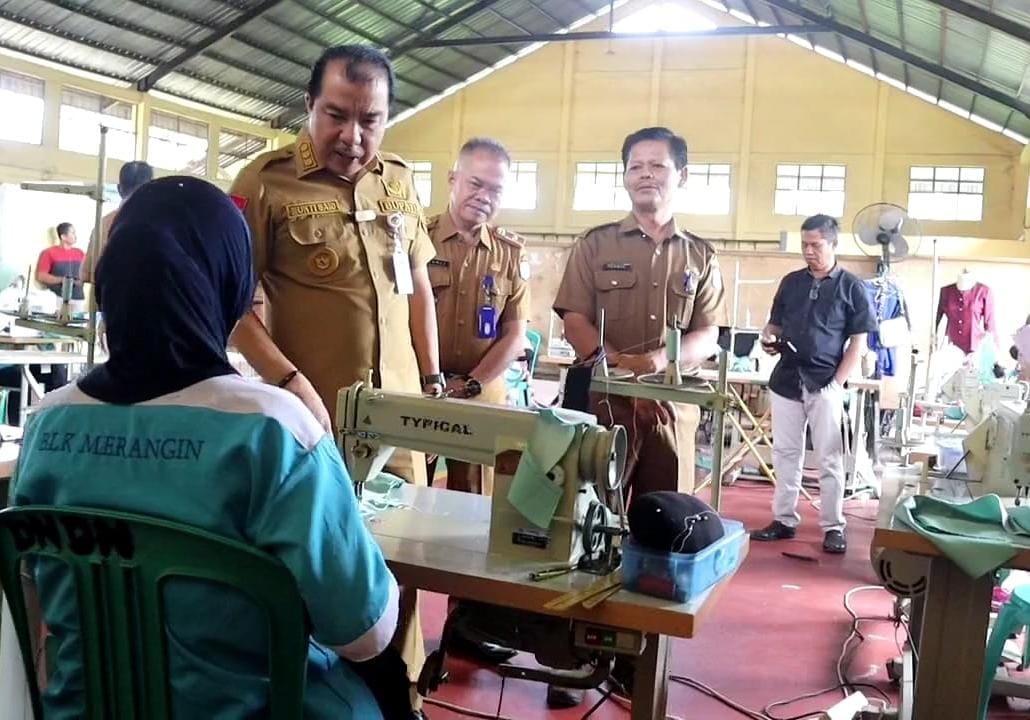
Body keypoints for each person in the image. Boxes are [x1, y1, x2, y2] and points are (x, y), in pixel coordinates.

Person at [12, 177, 399, 719]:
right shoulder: (277, 431)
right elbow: (365, 632)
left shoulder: (45, 426)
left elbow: (28, 607)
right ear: (229, 287)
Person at [228, 44, 439, 718]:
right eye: (336, 116)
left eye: (370, 120)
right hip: (309, 429)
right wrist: (287, 382)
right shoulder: (265, 182)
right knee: (309, 575)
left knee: (401, 580)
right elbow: (230, 305)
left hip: (402, 424)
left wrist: (432, 379)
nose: (353, 137)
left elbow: (419, 292)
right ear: (310, 107)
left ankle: (398, 702)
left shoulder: (400, 183)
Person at [553, 126, 725, 501]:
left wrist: (657, 361)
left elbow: (708, 334)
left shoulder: (701, 255)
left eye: (658, 166)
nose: (646, 174)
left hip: (673, 410)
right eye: (636, 167)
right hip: (605, 405)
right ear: (626, 178)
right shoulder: (593, 245)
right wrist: (625, 377)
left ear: (682, 175)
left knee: (666, 520)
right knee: (591, 514)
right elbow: (575, 322)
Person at [751, 214, 876, 554]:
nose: (809, 251)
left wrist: (837, 383)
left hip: (825, 384)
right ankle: (783, 520)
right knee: (785, 453)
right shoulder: (791, 283)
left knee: (830, 457)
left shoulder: (852, 287)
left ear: (834, 244)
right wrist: (768, 338)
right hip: (787, 380)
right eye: (804, 245)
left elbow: (858, 343)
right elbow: (774, 326)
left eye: (816, 245)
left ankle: (833, 526)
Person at [426, 137, 530, 494]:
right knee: (402, 492)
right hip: (418, 391)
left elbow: (514, 335)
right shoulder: (416, 240)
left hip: (481, 394)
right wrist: (430, 381)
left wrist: (470, 384)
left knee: (473, 507)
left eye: (496, 190)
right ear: (453, 179)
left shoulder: (510, 254)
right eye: (476, 183)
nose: (484, 196)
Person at [80, 160, 154, 283]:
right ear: (151, 188)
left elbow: (85, 274)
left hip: (105, 298)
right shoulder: (160, 222)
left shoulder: (102, 224)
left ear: (119, 189)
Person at [36, 222, 84, 300]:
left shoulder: (80, 253)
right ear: (63, 237)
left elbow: (87, 273)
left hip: (78, 298)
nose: (75, 236)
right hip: (57, 298)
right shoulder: (49, 253)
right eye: (73, 233)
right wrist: (63, 280)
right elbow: (41, 276)